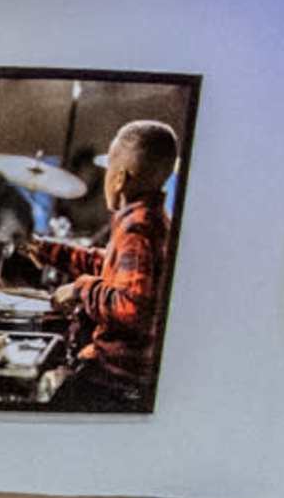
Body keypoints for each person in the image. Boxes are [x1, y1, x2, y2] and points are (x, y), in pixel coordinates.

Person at [25, 118, 180, 411]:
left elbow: (132, 308)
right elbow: (109, 266)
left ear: (119, 177)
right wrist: (47, 250)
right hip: (118, 371)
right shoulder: (150, 219)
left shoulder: (138, 229)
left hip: (116, 378)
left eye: (108, 167)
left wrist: (80, 289)